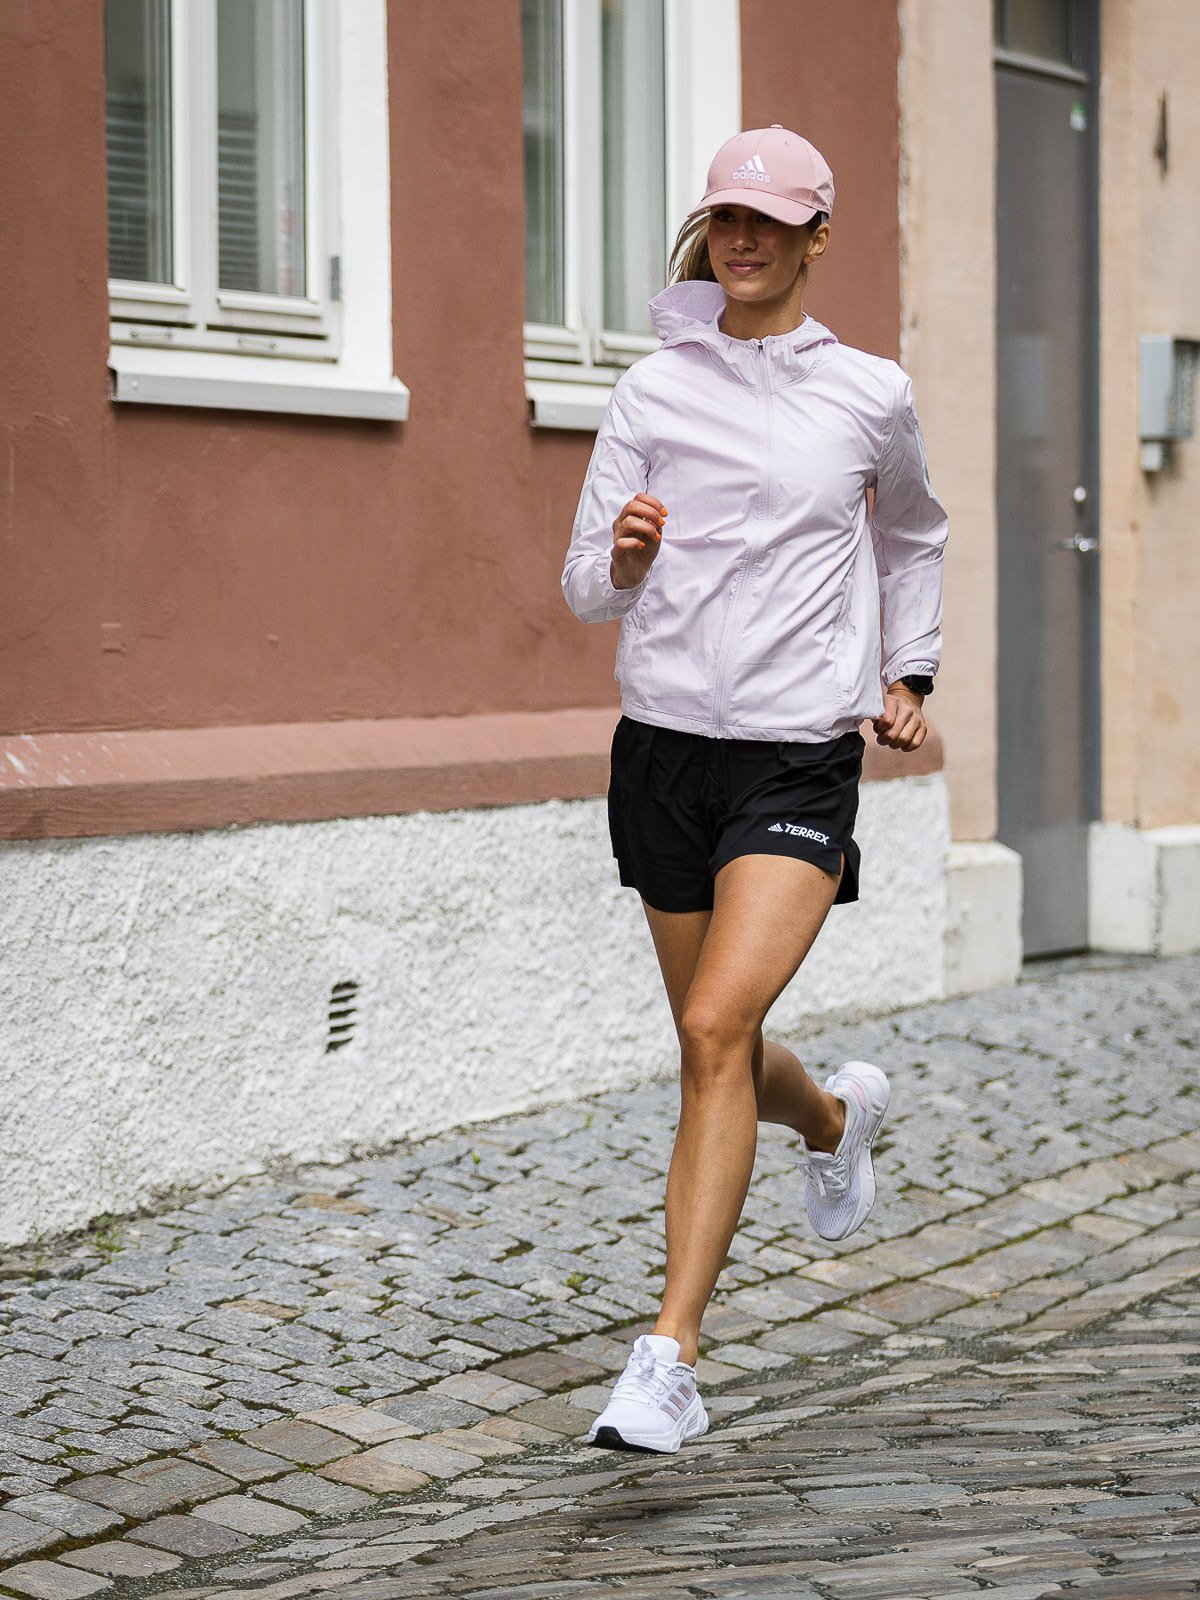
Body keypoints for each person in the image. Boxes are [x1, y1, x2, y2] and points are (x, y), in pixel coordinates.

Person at [561, 125, 947, 1454]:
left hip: (798, 749)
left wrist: (910, 672)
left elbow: (914, 532)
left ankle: (669, 1357)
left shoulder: (869, 394)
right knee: (711, 1044)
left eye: (770, 225)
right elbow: (584, 589)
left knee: (716, 1022)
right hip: (664, 748)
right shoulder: (653, 391)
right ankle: (833, 1120)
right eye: (727, 218)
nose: (742, 241)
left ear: (814, 239)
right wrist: (623, 558)